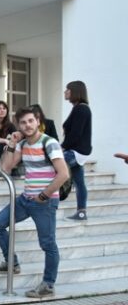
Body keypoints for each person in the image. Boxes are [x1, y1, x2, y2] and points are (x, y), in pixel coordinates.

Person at [0, 106, 69, 298]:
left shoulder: (49, 143)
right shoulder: (23, 144)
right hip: (25, 200)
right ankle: (12, 263)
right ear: (18, 125)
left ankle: (48, 284)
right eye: (23, 122)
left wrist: (43, 195)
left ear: (38, 120)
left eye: (31, 121)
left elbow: (64, 174)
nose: (27, 125)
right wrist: (11, 142)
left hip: (45, 202)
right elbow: (6, 168)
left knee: (48, 244)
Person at [61, 80, 92, 221]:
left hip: (75, 151)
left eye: (67, 89)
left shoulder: (81, 109)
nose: (65, 92)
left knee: (49, 168)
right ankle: (81, 212)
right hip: (79, 152)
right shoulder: (80, 108)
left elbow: (76, 134)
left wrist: (62, 147)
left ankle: (44, 203)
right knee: (79, 183)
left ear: (75, 91)